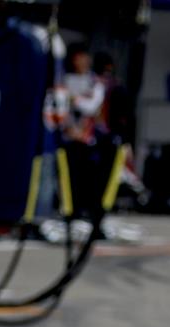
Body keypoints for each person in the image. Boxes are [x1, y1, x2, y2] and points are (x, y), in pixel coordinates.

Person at [58, 44, 109, 233]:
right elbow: (58, 104)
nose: (83, 61)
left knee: (86, 178)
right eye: (79, 57)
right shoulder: (63, 79)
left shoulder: (94, 82)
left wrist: (75, 100)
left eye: (85, 57)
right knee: (66, 176)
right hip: (66, 136)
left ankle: (84, 213)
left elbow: (92, 106)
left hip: (87, 139)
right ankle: (67, 212)